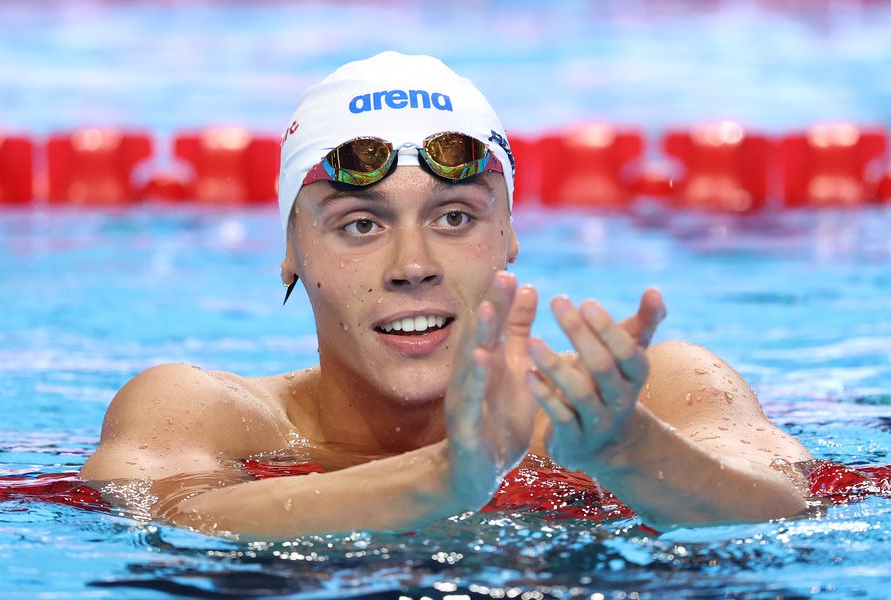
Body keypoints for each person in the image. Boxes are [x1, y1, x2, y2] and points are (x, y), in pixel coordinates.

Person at [80, 52, 812, 539]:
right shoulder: (205, 414)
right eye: (360, 223)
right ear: (291, 253)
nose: (413, 265)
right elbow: (160, 518)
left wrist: (629, 451)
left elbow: (785, 506)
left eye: (454, 216)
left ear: (509, 235)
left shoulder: (656, 395)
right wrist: (446, 476)